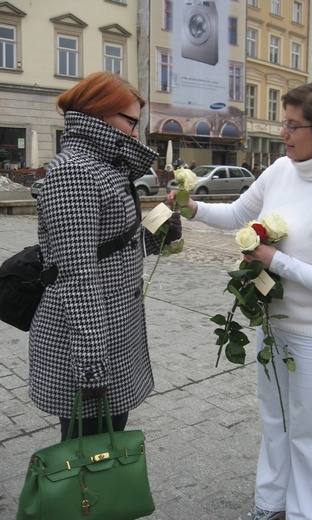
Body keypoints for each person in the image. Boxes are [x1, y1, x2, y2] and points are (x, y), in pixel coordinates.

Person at [166, 82, 312, 520]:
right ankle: (269, 505)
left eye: (292, 125)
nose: (283, 132)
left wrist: (276, 261)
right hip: (272, 322)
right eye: (284, 121)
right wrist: (192, 210)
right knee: (275, 421)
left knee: (309, 433)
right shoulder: (282, 169)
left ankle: (303, 514)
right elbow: (238, 215)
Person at [29, 71, 181, 441]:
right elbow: (77, 274)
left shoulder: (105, 166)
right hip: (89, 344)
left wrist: (156, 235)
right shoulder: (75, 172)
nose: (134, 132)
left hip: (112, 332)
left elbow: (109, 248)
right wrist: (92, 366)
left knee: (104, 448)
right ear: (99, 113)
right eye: (130, 121)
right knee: (87, 460)